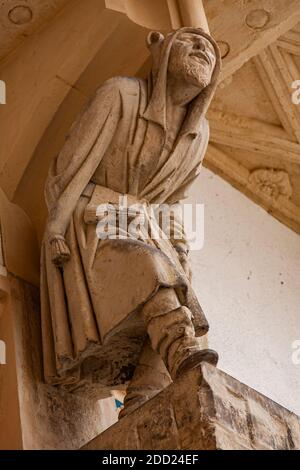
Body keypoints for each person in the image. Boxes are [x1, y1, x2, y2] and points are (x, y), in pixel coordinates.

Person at [40, 27, 221, 415]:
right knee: (148, 266)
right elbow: (70, 167)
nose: (203, 48)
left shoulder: (198, 134)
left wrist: (180, 243)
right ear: (164, 51)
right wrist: (56, 226)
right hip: (94, 217)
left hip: (146, 225)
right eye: (190, 41)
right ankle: (183, 349)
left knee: (179, 283)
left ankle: (143, 395)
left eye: (209, 48)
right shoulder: (120, 94)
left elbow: (175, 198)